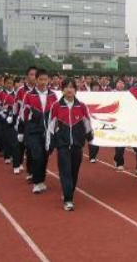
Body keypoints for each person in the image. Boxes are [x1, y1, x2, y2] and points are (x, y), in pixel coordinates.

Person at [46, 78, 93, 211]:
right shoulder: (56, 106)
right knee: (65, 172)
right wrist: (50, 144)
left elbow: (87, 124)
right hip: (63, 145)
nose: (69, 89)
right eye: (66, 87)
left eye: (72, 87)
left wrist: (90, 138)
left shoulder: (81, 106)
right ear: (62, 90)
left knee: (74, 172)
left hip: (77, 145)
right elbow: (51, 126)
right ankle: (68, 199)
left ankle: (69, 192)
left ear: (75, 90)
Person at [23, 69, 57, 194]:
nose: (43, 82)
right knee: (37, 156)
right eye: (41, 79)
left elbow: (56, 115)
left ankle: (41, 180)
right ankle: (37, 182)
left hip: (48, 131)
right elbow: (24, 114)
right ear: (36, 80)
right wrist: (22, 131)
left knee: (44, 156)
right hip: (33, 131)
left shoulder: (53, 95)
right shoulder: (29, 95)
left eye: (45, 79)